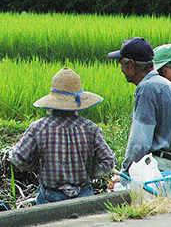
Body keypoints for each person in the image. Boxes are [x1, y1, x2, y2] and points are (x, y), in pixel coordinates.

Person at [9, 68, 115, 205]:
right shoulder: (90, 128)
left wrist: (37, 166)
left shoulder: (39, 128)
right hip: (84, 196)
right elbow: (108, 161)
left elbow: (17, 157)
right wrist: (88, 171)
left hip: (50, 196)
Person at [107, 37, 171, 178]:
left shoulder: (147, 89)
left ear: (131, 64)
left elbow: (140, 143)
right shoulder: (165, 84)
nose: (121, 69)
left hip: (159, 167)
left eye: (121, 63)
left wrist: (125, 174)